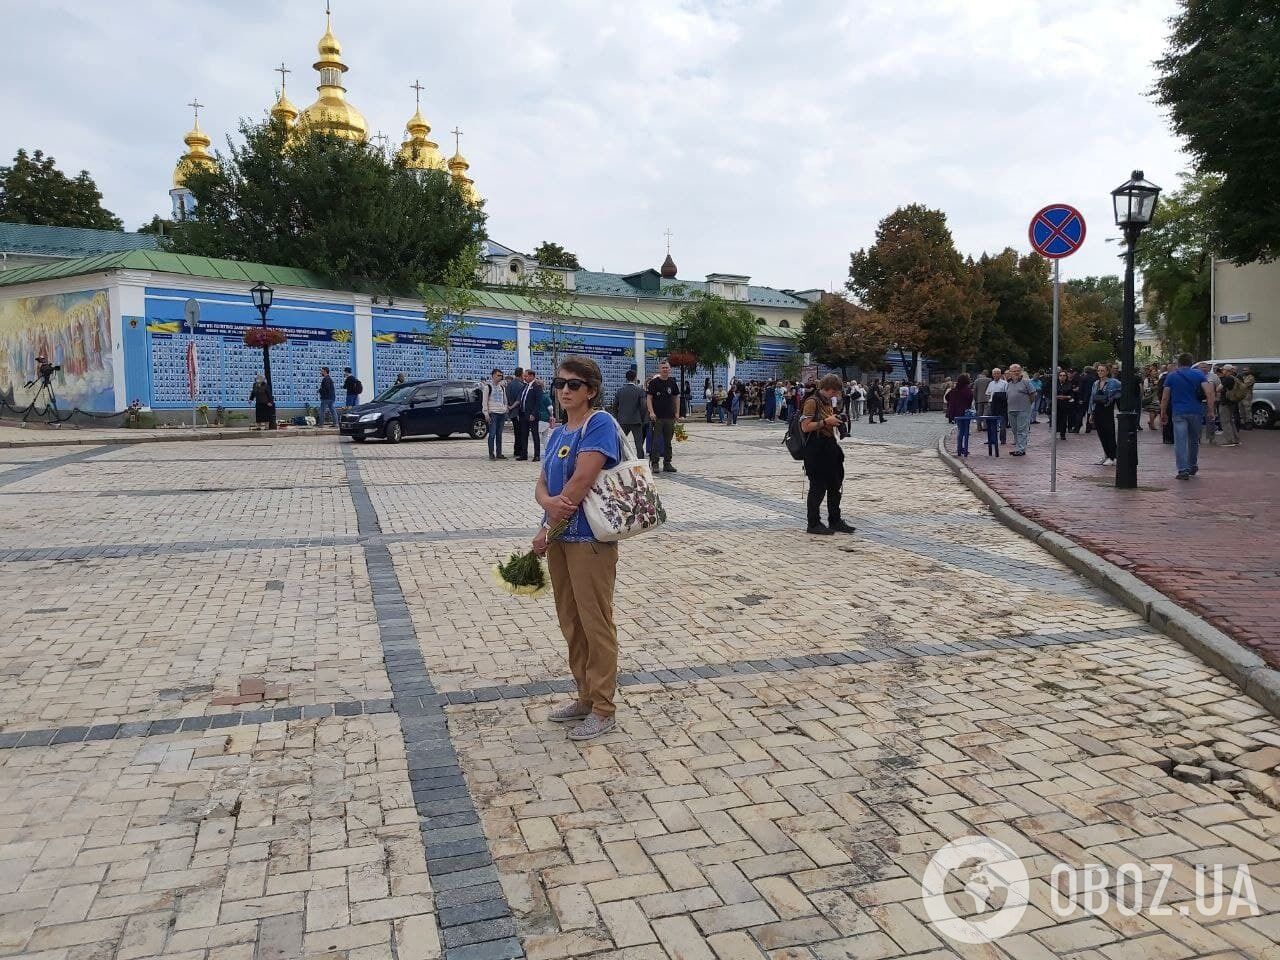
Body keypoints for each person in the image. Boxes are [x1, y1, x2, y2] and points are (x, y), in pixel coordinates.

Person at [532, 356, 623, 741]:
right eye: (559, 383)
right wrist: (546, 514)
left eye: (573, 384)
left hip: (589, 540)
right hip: (560, 539)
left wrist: (549, 522)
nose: (564, 390)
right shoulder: (557, 434)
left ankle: (603, 708)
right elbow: (542, 487)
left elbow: (581, 482)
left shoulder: (597, 424)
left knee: (595, 622)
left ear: (591, 390)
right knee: (571, 622)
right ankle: (584, 695)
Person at [801, 374, 855, 536]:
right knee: (818, 487)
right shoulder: (812, 402)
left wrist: (837, 421)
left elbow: (829, 420)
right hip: (816, 449)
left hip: (829, 447)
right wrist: (826, 422)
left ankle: (835, 520)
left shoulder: (827, 402)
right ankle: (813, 523)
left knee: (835, 484)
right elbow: (805, 427)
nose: (836, 395)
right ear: (828, 388)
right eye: (835, 391)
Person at [1161, 352, 1211, 480]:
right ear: (1191, 362)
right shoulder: (1199, 374)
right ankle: (1192, 464)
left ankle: (1183, 469)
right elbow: (1209, 392)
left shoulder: (1171, 376)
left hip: (1178, 412)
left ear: (1179, 363)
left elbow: (1165, 396)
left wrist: (1163, 412)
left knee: (1180, 441)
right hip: (1196, 411)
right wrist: (1211, 410)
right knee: (1194, 439)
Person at [646, 360, 681, 473]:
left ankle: (667, 463)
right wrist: (651, 412)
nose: (665, 369)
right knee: (656, 442)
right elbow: (649, 398)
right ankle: (655, 463)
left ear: (669, 369)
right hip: (657, 417)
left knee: (668, 441)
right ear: (659, 369)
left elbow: (676, 398)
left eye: (667, 368)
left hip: (670, 417)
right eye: (663, 368)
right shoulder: (654, 383)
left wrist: (677, 412)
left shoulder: (672, 382)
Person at [1090, 363, 1121, 466]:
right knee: (1101, 434)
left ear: (1107, 371)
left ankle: (1113, 456)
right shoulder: (1096, 383)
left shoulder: (1113, 382)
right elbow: (1092, 399)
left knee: (1109, 433)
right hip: (1097, 409)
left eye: (1102, 370)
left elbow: (1121, 391)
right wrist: (1091, 413)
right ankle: (1107, 455)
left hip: (1107, 409)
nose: (1100, 372)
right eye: (1098, 371)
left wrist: (1113, 398)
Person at [1004, 364, 1037, 457]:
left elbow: (1033, 394)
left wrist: (1028, 404)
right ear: (1010, 372)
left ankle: (1021, 449)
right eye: (1013, 371)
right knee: (1014, 430)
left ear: (1021, 371)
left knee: (1021, 430)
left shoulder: (1026, 382)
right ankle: (1018, 447)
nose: (1016, 372)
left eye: (1018, 370)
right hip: (1011, 410)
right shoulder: (1008, 384)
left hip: (1023, 410)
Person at [614, 369, 648, 458]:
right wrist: (642, 417)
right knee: (638, 443)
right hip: (636, 421)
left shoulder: (620, 391)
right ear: (635, 378)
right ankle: (640, 462)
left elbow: (614, 406)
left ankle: (619, 458)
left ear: (626, 378)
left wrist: (617, 417)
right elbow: (643, 405)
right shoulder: (639, 390)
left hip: (622, 420)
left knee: (619, 442)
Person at [517, 369, 544, 462]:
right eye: (524, 376)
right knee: (524, 434)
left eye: (526, 376)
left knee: (535, 434)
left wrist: (533, 413)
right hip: (523, 414)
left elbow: (538, 402)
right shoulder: (525, 386)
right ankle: (524, 454)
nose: (524, 378)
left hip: (532, 415)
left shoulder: (537, 386)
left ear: (532, 376)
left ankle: (537, 455)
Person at [946, 374, 974, 457]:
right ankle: (964, 449)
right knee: (965, 431)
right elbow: (970, 398)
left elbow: (947, 397)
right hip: (965, 412)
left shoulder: (954, 390)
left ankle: (959, 448)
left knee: (960, 431)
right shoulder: (967, 390)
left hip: (956, 413)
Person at [484, 368, 509, 460]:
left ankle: (499, 453)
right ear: (493, 375)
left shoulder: (502, 387)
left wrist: (505, 408)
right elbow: (484, 401)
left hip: (501, 413)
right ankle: (491, 454)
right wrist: (486, 413)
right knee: (492, 434)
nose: (500, 377)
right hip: (493, 413)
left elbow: (505, 400)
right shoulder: (488, 387)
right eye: (498, 375)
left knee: (499, 434)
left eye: (501, 375)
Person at [1215, 365, 1241, 447]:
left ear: (1227, 370)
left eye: (1223, 370)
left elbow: (1218, 389)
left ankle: (1229, 440)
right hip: (1232, 402)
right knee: (1230, 421)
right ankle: (1236, 439)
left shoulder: (1227, 379)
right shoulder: (1234, 378)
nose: (1222, 371)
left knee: (1225, 421)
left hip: (1225, 402)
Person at [508, 367, 529, 459]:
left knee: (516, 432)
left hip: (511, 412)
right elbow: (520, 400)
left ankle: (516, 450)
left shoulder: (509, 385)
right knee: (522, 432)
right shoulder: (522, 386)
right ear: (521, 374)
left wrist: (509, 407)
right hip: (519, 412)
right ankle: (520, 450)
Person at [986, 369, 1008, 444]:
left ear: (1000, 374)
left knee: (1003, 423)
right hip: (992, 404)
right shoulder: (991, 383)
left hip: (1002, 405)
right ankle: (992, 439)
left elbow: (1007, 394)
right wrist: (988, 402)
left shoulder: (1005, 383)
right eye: (994, 373)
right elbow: (988, 394)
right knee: (992, 423)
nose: (996, 375)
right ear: (992, 375)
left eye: (998, 373)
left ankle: (1003, 440)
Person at [1055, 370, 1075, 441]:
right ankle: (1055, 432)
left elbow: (1071, 395)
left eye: (1064, 376)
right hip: (1055, 405)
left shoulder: (1069, 384)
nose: (1062, 377)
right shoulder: (1055, 384)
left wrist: (1064, 397)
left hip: (1065, 405)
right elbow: (1051, 394)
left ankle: (1062, 434)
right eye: (1060, 375)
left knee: (1063, 420)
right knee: (1055, 419)